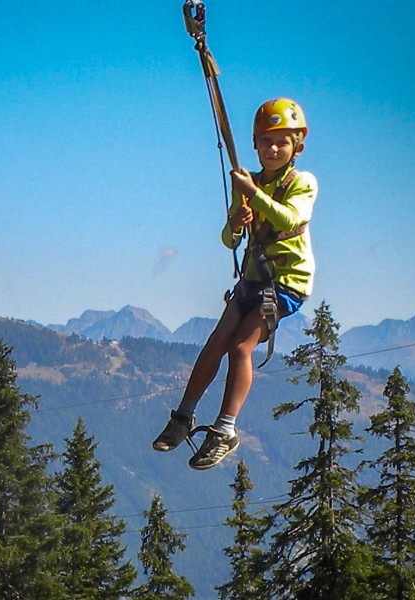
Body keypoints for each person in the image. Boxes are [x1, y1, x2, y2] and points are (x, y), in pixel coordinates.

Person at [153, 97, 317, 470]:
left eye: (282, 142)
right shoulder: (249, 184)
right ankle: (184, 416)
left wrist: (253, 196)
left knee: (241, 348)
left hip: (286, 282)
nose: (273, 149)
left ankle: (225, 429)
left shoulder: (302, 183)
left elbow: (290, 219)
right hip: (253, 277)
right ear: (256, 144)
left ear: (297, 147)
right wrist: (237, 221)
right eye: (266, 141)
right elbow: (230, 240)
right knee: (217, 342)